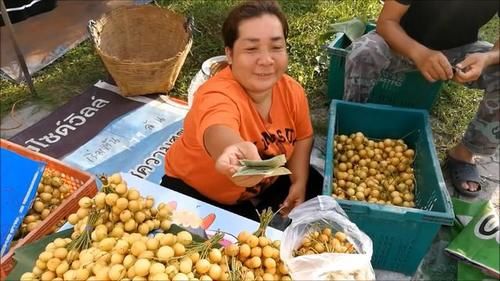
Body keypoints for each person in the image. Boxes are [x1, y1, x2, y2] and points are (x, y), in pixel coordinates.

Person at [161, 0, 323, 224]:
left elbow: (304, 137)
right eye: (251, 48)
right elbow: (217, 125)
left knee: (321, 187)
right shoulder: (217, 94)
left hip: (263, 183)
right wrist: (231, 150)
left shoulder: (292, 91)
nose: (266, 60)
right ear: (230, 54)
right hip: (197, 192)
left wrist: (299, 182)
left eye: (276, 47)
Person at [344, 0, 499, 197]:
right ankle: (352, 135)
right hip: (403, 43)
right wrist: (419, 53)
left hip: (460, 52)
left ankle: (464, 153)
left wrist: (487, 59)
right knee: (363, 52)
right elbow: (387, 22)